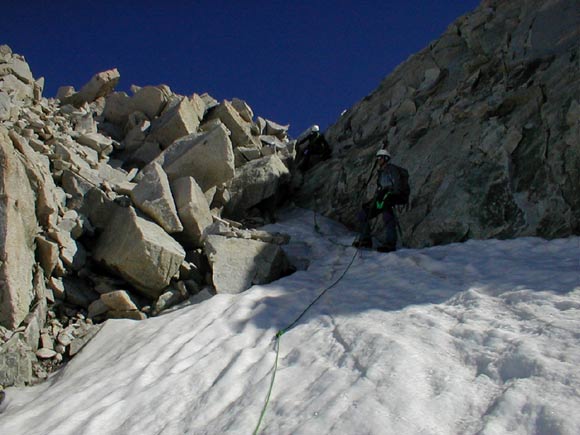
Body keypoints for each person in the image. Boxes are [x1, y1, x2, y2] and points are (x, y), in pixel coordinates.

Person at [353, 149, 408, 252]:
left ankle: (390, 244)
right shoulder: (381, 173)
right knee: (363, 214)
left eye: (380, 157)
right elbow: (381, 189)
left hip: (392, 197)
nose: (378, 160)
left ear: (386, 158)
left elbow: (397, 186)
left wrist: (388, 195)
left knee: (387, 215)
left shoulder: (392, 169)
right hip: (383, 197)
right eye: (377, 158)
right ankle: (365, 240)